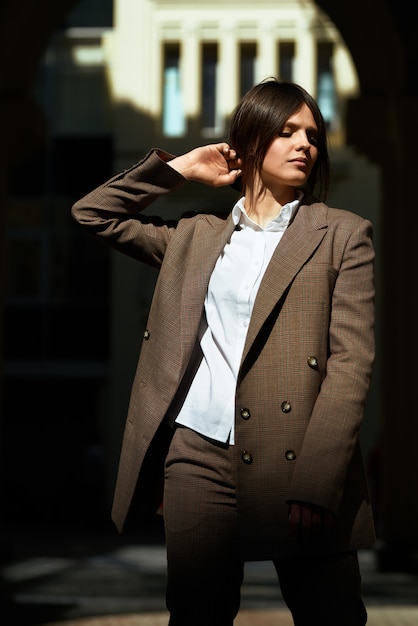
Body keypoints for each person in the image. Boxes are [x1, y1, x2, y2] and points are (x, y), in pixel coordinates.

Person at [71, 78, 376, 626]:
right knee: (195, 616)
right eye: (286, 131)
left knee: (330, 613)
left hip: (299, 459)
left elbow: (350, 368)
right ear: (251, 140)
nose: (305, 143)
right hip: (197, 458)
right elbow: (93, 214)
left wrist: (318, 481)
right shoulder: (195, 237)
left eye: (312, 133)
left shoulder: (342, 236)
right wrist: (179, 169)